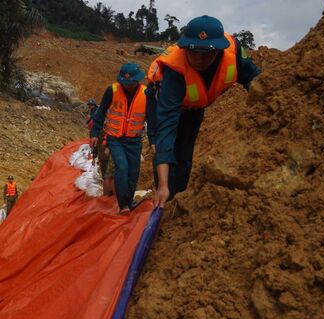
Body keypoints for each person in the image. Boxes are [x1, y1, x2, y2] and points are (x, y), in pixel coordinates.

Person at [147, 15, 261, 207]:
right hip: (161, 103)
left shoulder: (233, 53)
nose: (199, 59)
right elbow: (166, 127)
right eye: (193, 52)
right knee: (164, 146)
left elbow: (256, 79)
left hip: (194, 108)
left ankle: (177, 197)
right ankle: (164, 196)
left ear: (218, 50)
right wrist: (163, 185)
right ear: (185, 48)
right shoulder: (175, 72)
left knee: (184, 154)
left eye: (207, 53)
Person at [90, 62, 149, 215]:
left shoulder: (146, 94)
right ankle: (124, 205)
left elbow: (153, 121)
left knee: (133, 171)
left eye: (132, 83)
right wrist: (95, 134)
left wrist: (155, 140)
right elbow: (101, 113)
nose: (128, 86)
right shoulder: (112, 91)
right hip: (115, 139)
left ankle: (129, 201)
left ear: (138, 81)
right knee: (121, 167)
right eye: (125, 83)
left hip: (134, 140)